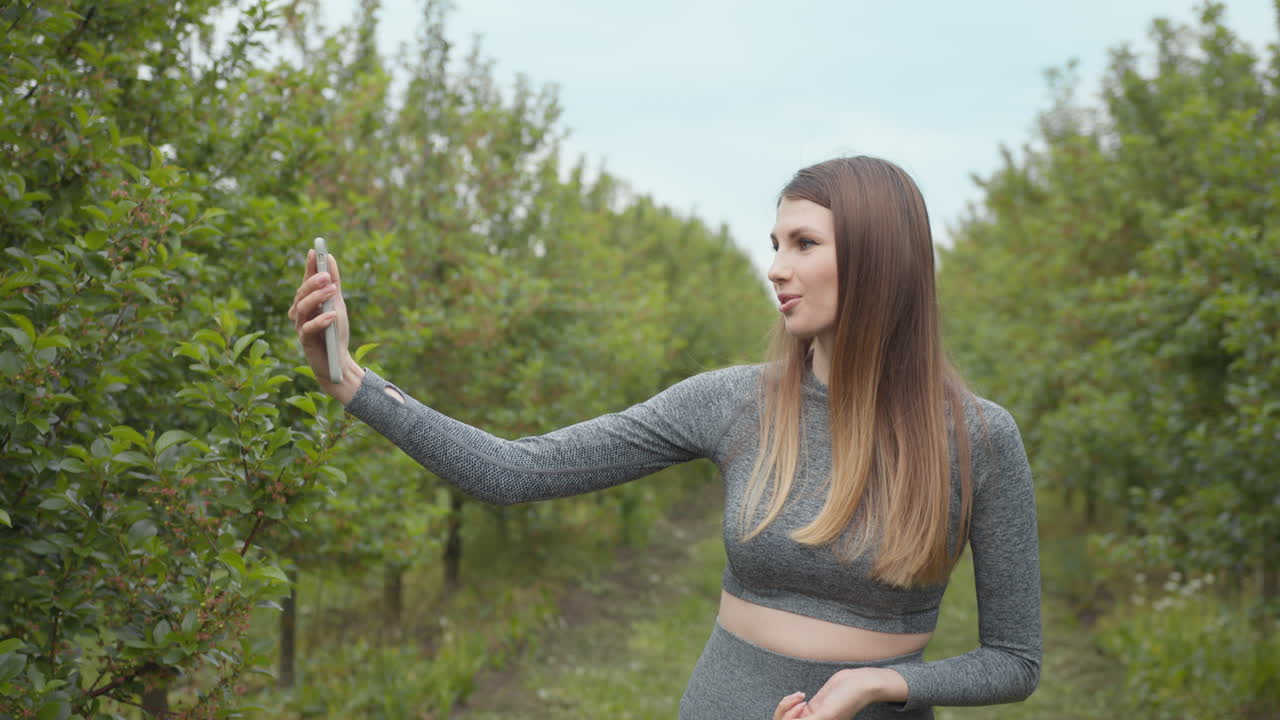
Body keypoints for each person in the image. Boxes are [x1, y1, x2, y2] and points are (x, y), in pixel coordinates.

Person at [287, 156, 1041, 719]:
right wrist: (351, 381)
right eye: (774, 242)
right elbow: (513, 472)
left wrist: (880, 684)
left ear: (879, 259)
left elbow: (1015, 660)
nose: (775, 268)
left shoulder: (977, 439)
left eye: (804, 243)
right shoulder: (735, 402)